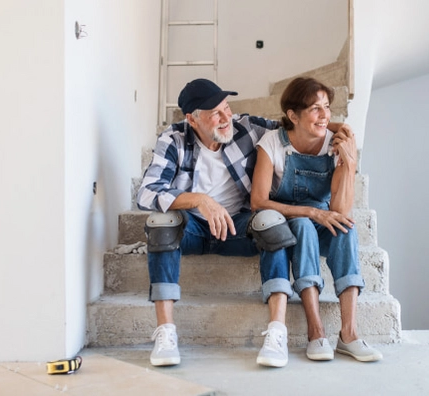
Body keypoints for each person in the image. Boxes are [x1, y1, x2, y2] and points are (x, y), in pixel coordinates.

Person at [137, 78, 348, 367]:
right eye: (215, 113)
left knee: (271, 220)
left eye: (227, 108)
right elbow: (147, 192)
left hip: (238, 226)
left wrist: (337, 128)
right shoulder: (172, 139)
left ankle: (277, 332)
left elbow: (293, 124)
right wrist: (200, 200)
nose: (227, 118)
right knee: (161, 221)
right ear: (192, 119)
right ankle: (166, 333)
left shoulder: (245, 127)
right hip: (193, 228)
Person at [251, 76, 383, 364]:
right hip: (288, 220)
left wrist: (349, 164)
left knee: (346, 229)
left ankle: (348, 334)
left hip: (323, 216)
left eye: (327, 108)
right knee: (303, 226)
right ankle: (316, 330)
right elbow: (258, 201)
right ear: (292, 115)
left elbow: (339, 208)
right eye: (315, 109)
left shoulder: (336, 144)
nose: (325, 116)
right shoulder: (272, 143)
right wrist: (310, 212)